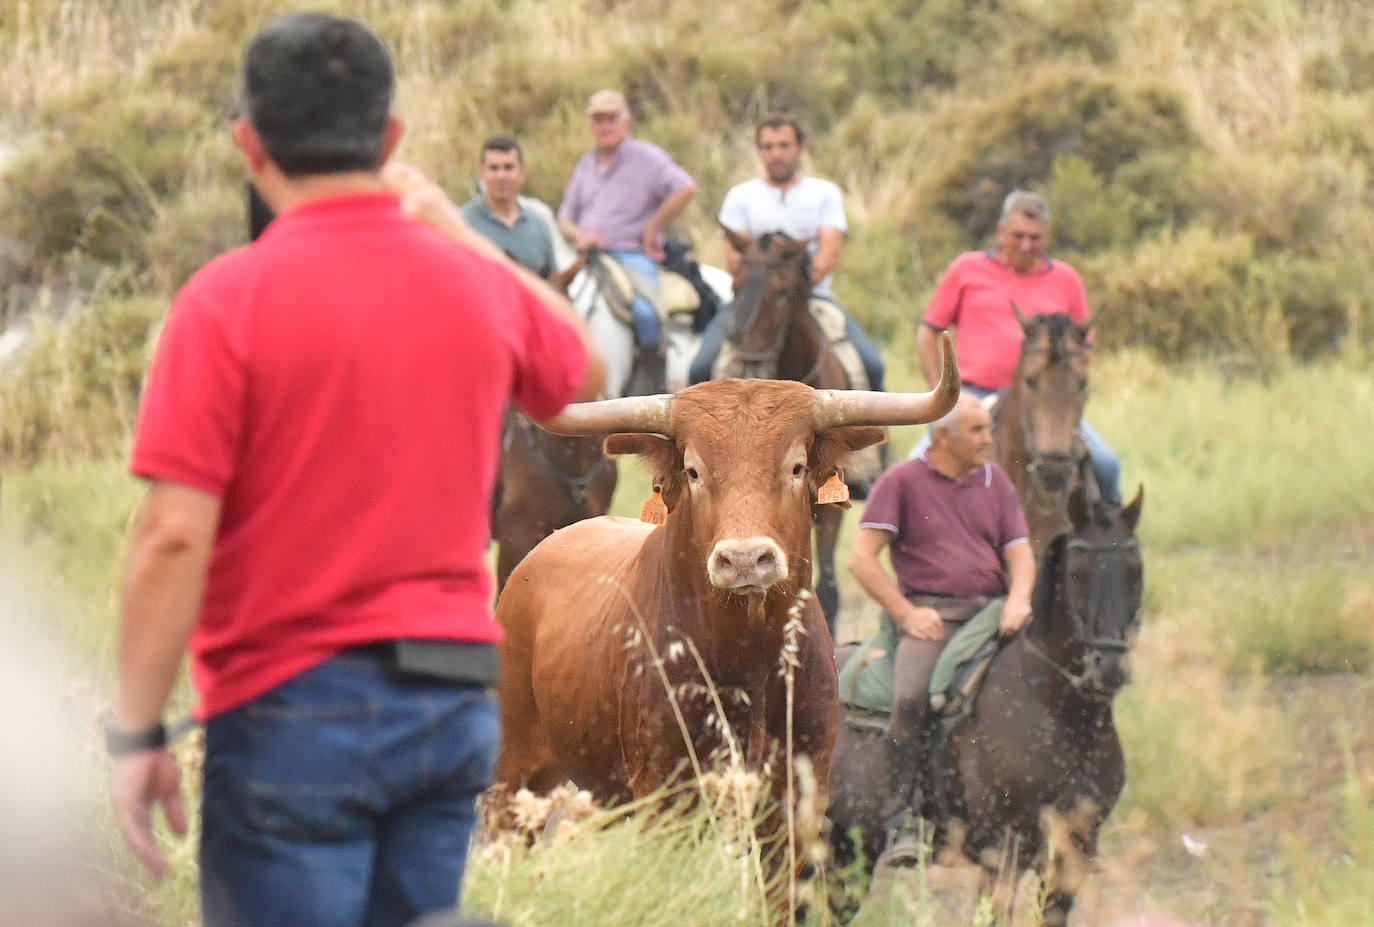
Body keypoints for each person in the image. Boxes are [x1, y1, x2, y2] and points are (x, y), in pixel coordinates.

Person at [106, 13, 604, 927]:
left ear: (247, 144)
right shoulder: (472, 282)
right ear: (392, 141)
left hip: (292, 710)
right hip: (450, 700)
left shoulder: (224, 302)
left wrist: (136, 731)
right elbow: (582, 367)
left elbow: (175, 534)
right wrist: (457, 239)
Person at [847, 392, 1034, 866]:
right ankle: (903, 819)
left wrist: (1018, 598)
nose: (989, 439)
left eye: (988, 428)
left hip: (991, 611)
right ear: (944, 436)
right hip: (931, 618)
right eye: (978, 431)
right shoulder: (902, 482)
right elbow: (861, 559)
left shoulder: (997, 482)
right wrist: (906, 614)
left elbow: (1020, 554)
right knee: (911, 699)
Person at [913, 189, 1121, 502]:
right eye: (1017, 235)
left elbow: (1085, 345)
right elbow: (928, 333)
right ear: (1000, 231)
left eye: (1034, 237)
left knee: (1106, 465)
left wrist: (1065, 386)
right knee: (917, 468)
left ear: (1046, 237)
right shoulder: (967, 269)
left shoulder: (1066, 279)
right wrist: (942, 396)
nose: (1025, 245)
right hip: (976, 395)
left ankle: (1108, 543)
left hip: (1046, 402)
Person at [688, 114, 885, 390]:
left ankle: (878, 431)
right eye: (768, 147)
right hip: (751, 302)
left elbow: (829, 249)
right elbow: (735, 258)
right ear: (759, 152)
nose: (776, 154)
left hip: (813, 298)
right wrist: (766, 288)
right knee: (700, 367)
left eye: (784, 145)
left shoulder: (824, 193)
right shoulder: (740, 197)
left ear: (800, 148)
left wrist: (796, 286)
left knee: (871, 365)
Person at [557, 88, 697, 392]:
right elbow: (565, 218)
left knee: (647, 313)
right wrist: (580, 235)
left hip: (630, 254)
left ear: (626, 122)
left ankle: (653, 381)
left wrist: (653, 226)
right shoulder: (586, 164)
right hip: (587, 257)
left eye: (610, 119)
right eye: (597, 120)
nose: (604, 126)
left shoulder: (648, 158)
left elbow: (686, 188)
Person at [460, 135, 557, 278]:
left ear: (522, 174)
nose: (501, 176)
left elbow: (553, 284)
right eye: (493, 168)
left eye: (508, 167)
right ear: (482, 174)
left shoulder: (539, 226)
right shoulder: (462, 223)